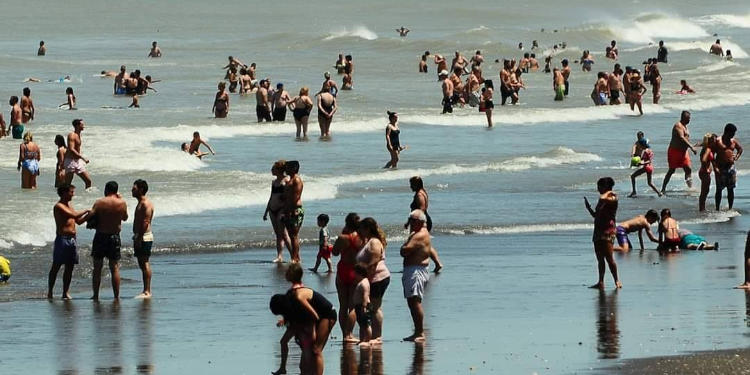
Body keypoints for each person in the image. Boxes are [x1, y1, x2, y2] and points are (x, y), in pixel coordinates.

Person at [283, 263, 337, 375]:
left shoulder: (299, 295)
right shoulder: (293, 292)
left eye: (287, 272)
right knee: (306, 346)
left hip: (327, 314)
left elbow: (314, 314)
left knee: (316, 349)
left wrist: (312, 330)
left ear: (292, 275)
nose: (285, 274)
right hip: (318, 316)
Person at [400, 209, 438, 342]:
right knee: (413, 301)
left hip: (416, 271)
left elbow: (404, 251)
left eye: (413, 221)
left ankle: (419, 332)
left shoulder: (419, 235)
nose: (410, 223)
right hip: (415, 269)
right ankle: (417, 331)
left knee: (414, 302)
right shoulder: (420, 233)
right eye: (409, 220)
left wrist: (404, 246)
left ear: (421, 222)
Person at [48, 184, 90, 299]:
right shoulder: (59, 206)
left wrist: (89, 216)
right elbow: (74, 215)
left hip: (72, 240)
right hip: (62, 239)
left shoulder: (69, 205)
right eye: (71, 192)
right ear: (64, 193)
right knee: (56, 266)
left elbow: (79, 221)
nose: (73, 194)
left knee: (70, 267)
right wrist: (86, 210)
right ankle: (50, 291)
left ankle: (65, 292)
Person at [89, 181, 128, 300]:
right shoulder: (121, 203)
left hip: (100, 235)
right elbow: (125, 218)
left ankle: (95, 295)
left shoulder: (99, 202)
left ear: (106, 190)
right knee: (114, 267)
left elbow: (91, 215)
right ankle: (116, 296)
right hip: (114, 236)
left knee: (97, 267)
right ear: (116, 191)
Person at [355, 217, 391, 343]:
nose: (359, 231)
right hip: (372, 278)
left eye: (361, 228)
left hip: (377, 278)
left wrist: (366, 281)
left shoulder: (375, 242)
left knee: (375, 307)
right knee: (374, 307)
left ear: (367, 229)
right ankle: (372, 336)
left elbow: (373, 264)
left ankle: (377, 336)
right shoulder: (369, 241)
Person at [583, 177, 621, 289]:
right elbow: (596, 215)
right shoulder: (603, 199)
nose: (598, 189)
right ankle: (600, 281)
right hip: (598, 230)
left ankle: (617, 280)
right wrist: (588, 208)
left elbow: (602, 198)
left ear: (605, 187)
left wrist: (608, 191)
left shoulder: (613, 197)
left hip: (608, 230)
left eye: (599, 186)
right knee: (600, 258)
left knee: (609, 258)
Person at [332, 213, 363, 343]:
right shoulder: (361, 238)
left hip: (343, 270)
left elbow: (334, 252)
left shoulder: (342, 237)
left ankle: (345, 334)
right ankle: (349, 334)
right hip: (355, 271)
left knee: (343, 306)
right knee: (353, 306)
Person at [661, 111, 697, 195]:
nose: (689, 120)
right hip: (675, 151)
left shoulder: (686, 127)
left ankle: (690, 188)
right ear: (683, 118)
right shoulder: (678, 126)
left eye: (689, 118)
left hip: (684, 152)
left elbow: (687, 138)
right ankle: (663, 188)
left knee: (688, 169)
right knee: (671, 170)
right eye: (688, 118)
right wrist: (691, 147)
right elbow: (681, 137)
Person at [264, 160, 292, 263]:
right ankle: (279, 256)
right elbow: (271, 197)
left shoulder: (286, 180)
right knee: (278, 234)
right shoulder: (274, 182)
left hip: (281, 209)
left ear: (279, 170)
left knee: (284, 234)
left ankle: (294, 256)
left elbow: (289, 196)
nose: (271, 170)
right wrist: (266, 211)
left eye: (273, 169)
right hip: (272, 209)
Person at [132, 179, 154, 299]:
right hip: (140, 236)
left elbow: (146, 222)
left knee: (144, 263)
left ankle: (147, 291)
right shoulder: (140, 202)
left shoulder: (146, 204)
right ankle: (145, 290)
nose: (132, 190)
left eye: (134, 188)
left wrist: (139, 237)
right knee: (141, 263)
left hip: (144, 236)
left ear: (141, 189)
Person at [714, 123, 742, 210]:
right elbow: (711, 154)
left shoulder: (733, 141)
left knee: (731, 189)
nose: (733, 135)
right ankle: (717, 209)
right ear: (727, 132)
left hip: (731, 167)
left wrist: (736, 157)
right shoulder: (718, 141)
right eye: (732, 133)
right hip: (720, 167)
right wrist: (715, 167)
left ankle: (730, 208)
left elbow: (740, 149)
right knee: (719, 189)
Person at [282, 161, 304, 263]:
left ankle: (295, 258)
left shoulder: (297, 180)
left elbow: (296, 197)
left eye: (288, 167)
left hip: (295, 209)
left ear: (293, 168)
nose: (286, 169)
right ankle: (296, 257)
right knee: (291, 235)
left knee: (294, 235)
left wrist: (291, 211)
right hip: (288, 209)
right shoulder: (290, 179)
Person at [64, 119, 92, 189]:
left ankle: (86, 197)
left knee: (88, 181)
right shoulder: (72, 135)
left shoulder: (78, 135)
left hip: (77, 161)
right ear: (77, 126)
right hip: (70, 161)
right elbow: (71, 149)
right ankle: (64, 197)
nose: (84, 126)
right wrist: (83, 158)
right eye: (82, 125)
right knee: (68, 184)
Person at [352, 263, 372, 346]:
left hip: (363, 305)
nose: (354, 275)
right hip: (359, 305)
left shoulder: (364, 283)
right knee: (361, 323)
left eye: (355, 273)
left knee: (366, 324)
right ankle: (362, 339)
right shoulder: (362, 282)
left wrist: (364, 307)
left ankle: (367, 340)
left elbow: (365, 295)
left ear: (359, 273)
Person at [698, 133, 717, 211]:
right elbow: (703, 160)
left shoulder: (706, 148)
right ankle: (702, 209)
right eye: (713, 140)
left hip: (703, 172)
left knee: (705, 191)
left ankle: (702, 208)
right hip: (704, 172)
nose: (715, 141)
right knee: (704, 192)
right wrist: (706, 168)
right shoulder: (708, 149)